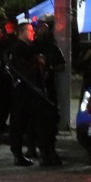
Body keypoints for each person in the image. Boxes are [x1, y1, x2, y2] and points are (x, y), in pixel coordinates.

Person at [4, 21, 62, 167]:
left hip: (31, 92)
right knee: (22, 123)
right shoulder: (19, 49)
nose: (32, 33)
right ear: (21, 32)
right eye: (29, 30)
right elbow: (24, 70)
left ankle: (39, 153)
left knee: (32, 122)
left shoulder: (26, 48)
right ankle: (23, 154)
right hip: (25, 92)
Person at [26, 20, 67, 161]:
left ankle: (47, 150)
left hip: (48, 88)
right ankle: (33, 148)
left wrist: (49, 68)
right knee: (33, 119)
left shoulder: (52, 48)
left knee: (49, 119)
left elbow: (61, 65)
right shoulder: (32, 47)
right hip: (34, 88)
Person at [0, 19, 19, 134]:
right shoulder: (15, 41)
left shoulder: (2, 40)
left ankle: (2, 124)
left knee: (3, 101)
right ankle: (10, 124)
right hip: (12, 75)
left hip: (3, 75)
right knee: (12, 101)